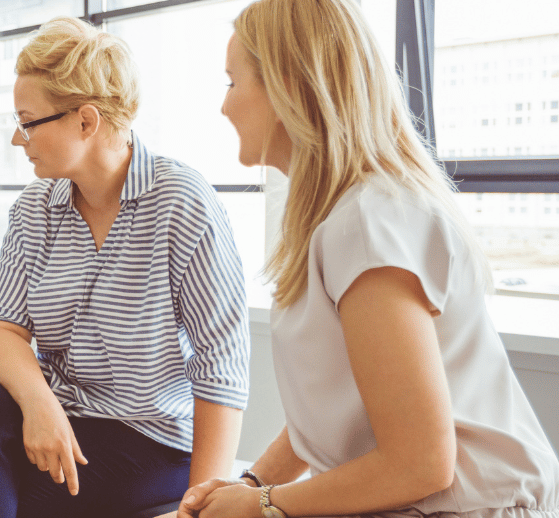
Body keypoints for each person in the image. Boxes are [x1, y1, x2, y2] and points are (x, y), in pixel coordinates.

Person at [178, 0, 559, 517]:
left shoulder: (367, 222)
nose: (224, 107)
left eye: (231, 82)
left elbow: (421, 463)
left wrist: (262, 504)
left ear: (287, 88)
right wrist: (251, 482)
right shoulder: (343, 217)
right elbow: (344, 405)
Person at [0, 16, 250, 518]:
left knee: (9, 498)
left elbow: (220, 363)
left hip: (152, 436)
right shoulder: (34, 209)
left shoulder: (182, 203)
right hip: (61, 410)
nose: (17, 139)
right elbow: (4, 328)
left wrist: (200, 505)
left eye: (27, 122)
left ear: (86, 121)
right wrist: (40, 404)